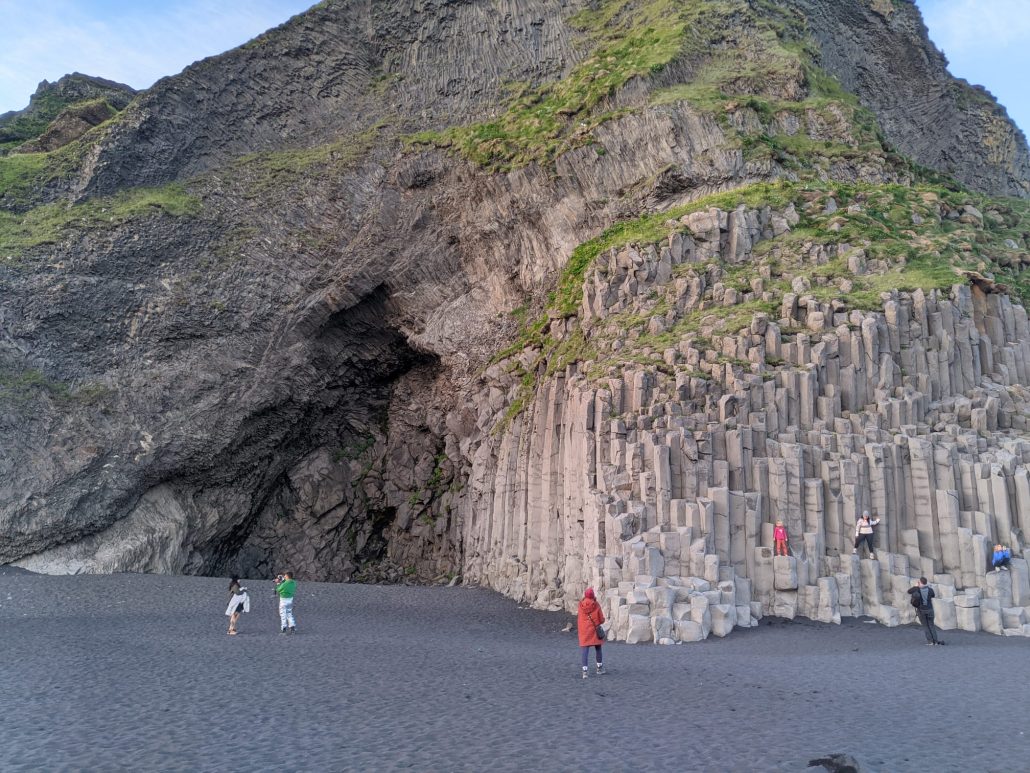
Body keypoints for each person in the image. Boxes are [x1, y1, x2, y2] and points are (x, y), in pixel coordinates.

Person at [577, 588, 605, 678]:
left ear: (585, 595)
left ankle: (585, 672)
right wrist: (601, 621)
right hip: (594, 630)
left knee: (585, 650)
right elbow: (601, 619)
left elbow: (580, 619)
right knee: (598, 648)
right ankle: (599, 668)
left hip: (584, 631)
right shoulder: (596, 605)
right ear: (593, 595)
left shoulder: (581, 605)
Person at [907, 577, 944, 646]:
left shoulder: (917, 590)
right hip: (930, 610)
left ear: (920, 582)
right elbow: (933, 595)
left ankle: (930, 642)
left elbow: (909, 591)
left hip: (921, 611)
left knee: (925, 626)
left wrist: (915, 586)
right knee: (931, 625)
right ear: (926, 583)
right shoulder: (930, 590)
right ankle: (935, 641)